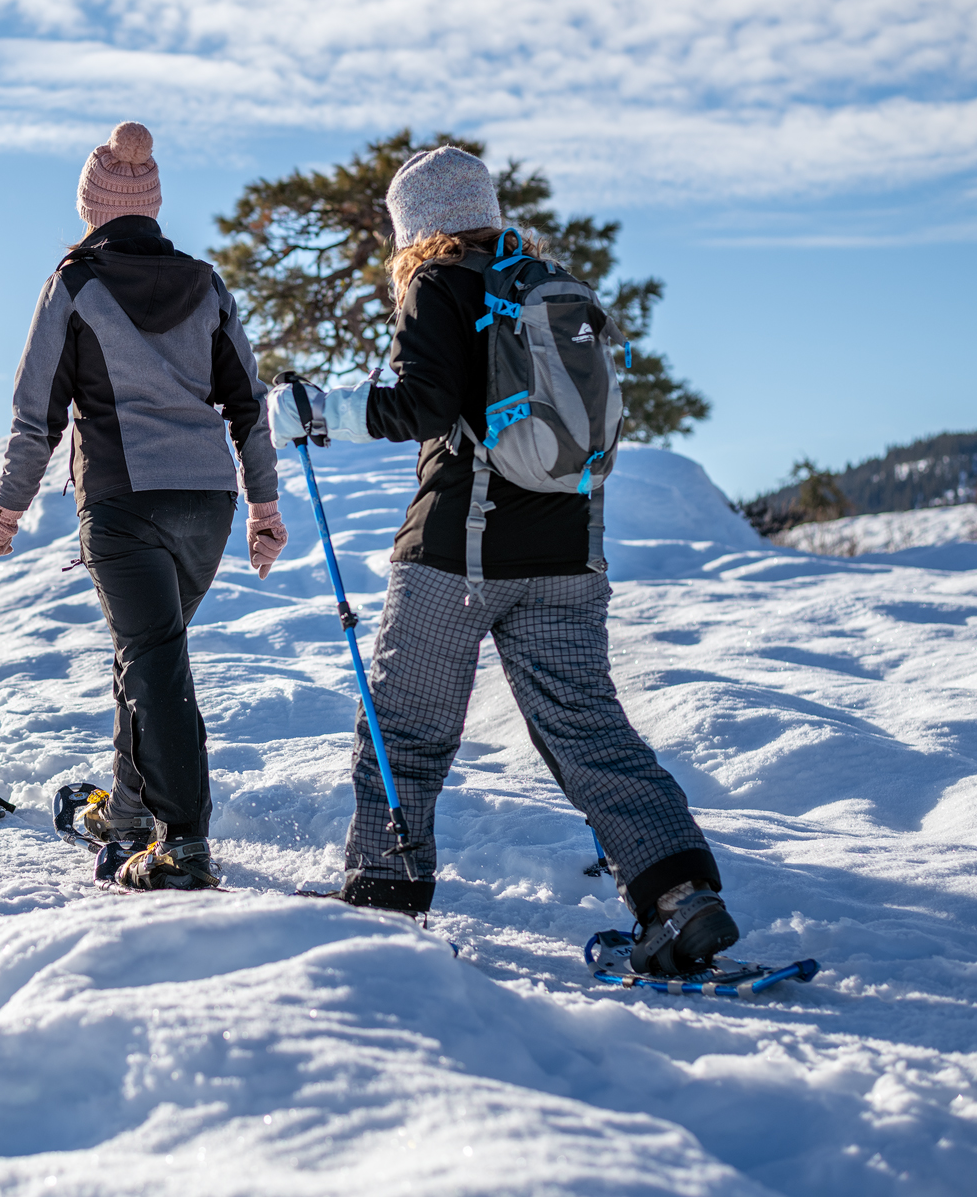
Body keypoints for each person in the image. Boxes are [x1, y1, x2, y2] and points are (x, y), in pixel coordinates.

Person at [266, 144, 741, 976]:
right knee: (591, 733)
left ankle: (384, 896)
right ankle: (681, 898)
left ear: (417, 224)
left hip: (457, 555)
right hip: (568, 560)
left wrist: (317, 411)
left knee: (403, 729)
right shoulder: (557, 290)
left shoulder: (437, 283)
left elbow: (423, 406)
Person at [0, 121, 286, 890]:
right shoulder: (206, 282)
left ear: (93, 209)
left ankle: (183, 841)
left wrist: (6, 514)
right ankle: (131, 818)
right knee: (147, 656)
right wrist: (263, 506)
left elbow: (36, 411)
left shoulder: (75, 283)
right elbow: (248, 402)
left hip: (123, 500)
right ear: (150, 205)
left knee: (153, 661)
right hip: (206, 506)